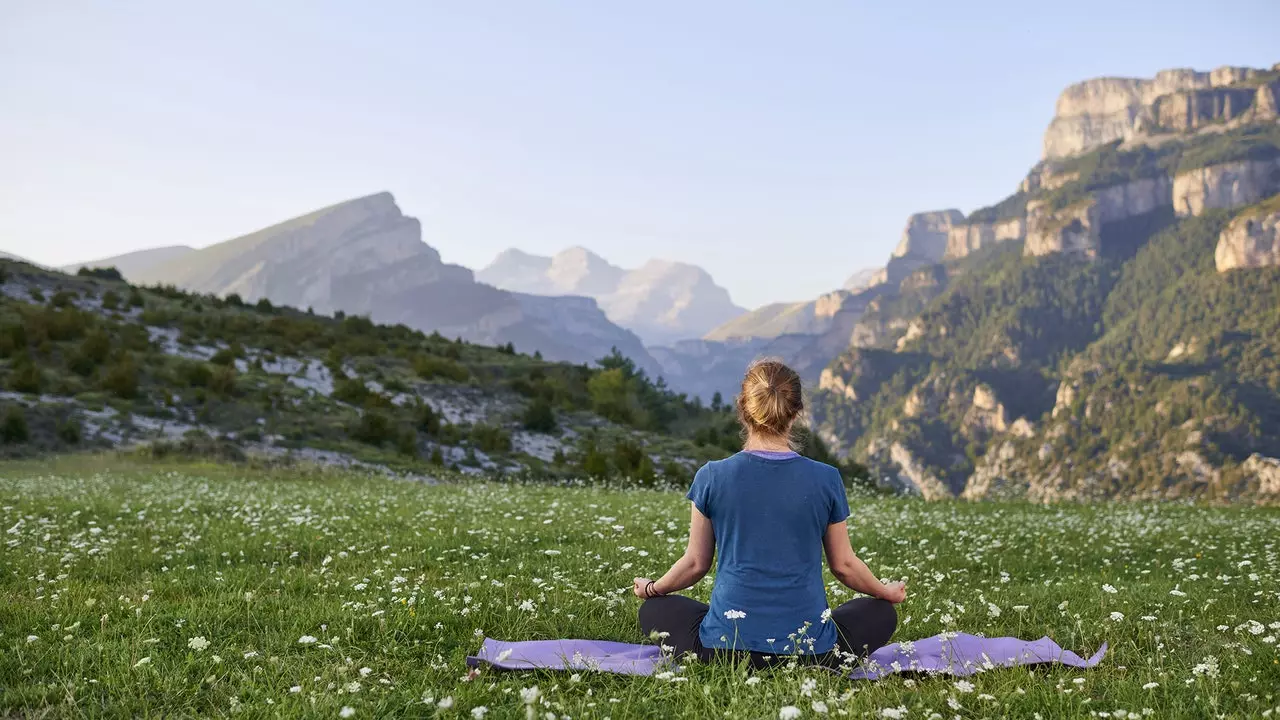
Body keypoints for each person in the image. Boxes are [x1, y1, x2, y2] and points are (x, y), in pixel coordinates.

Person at [632, 358, 905, 669]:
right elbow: (844, 566)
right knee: (881, 612)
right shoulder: (827, 478)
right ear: (797, 411)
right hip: (811, 652)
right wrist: (887, 592)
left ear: (742, 408)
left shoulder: (711, 476)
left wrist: (651, 589)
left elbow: (695, 564)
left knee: (653, 610)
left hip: (723, 652)